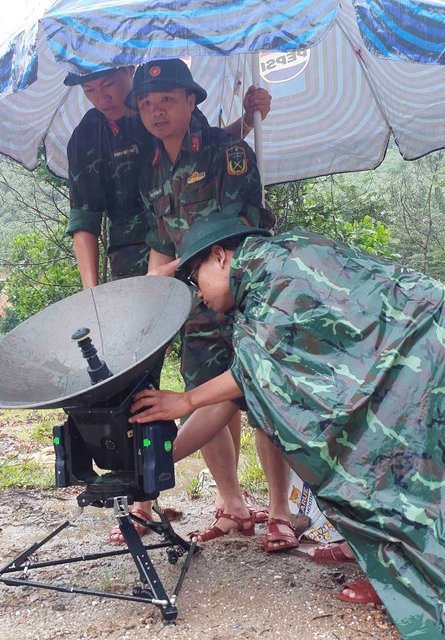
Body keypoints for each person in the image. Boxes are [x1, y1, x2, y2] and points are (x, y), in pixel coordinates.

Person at [129, 212, 445, 640]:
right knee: (385, 447)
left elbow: (254, 371)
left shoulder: (276, 270)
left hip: (428, 339)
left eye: (196, 277)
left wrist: (184, 399)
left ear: (220, 255)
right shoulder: (260, 283)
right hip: (417, 339)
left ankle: (408, 570)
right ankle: (377, 553)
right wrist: (149, 466)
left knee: (401, 456)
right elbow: (242, 389)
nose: (199, 294)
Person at [64, 64, 273, 543]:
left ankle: (257, 503)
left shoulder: (197, 132)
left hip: (219, 274)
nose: (102, 97)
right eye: (90, 90)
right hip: (156, 278)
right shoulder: (99, 143)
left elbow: (221, 176)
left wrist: (247, 120)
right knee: (166, 383)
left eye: (109, 85)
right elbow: (91, 218)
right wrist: (103, 292)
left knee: (248, 388)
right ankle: (161, 495)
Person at [128, 59, 299, 552]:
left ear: (191, 100)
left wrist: (176, 268)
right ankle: (233, 504)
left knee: (262, 397)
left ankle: (281, 510)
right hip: (193, 302)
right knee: (203, 392)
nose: (156, 111)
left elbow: (242, 228)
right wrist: (154, 295)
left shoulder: (230, 151)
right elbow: (159, 242)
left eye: (166, 100)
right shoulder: (150, 170)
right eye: (146, 103)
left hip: (239, 294)